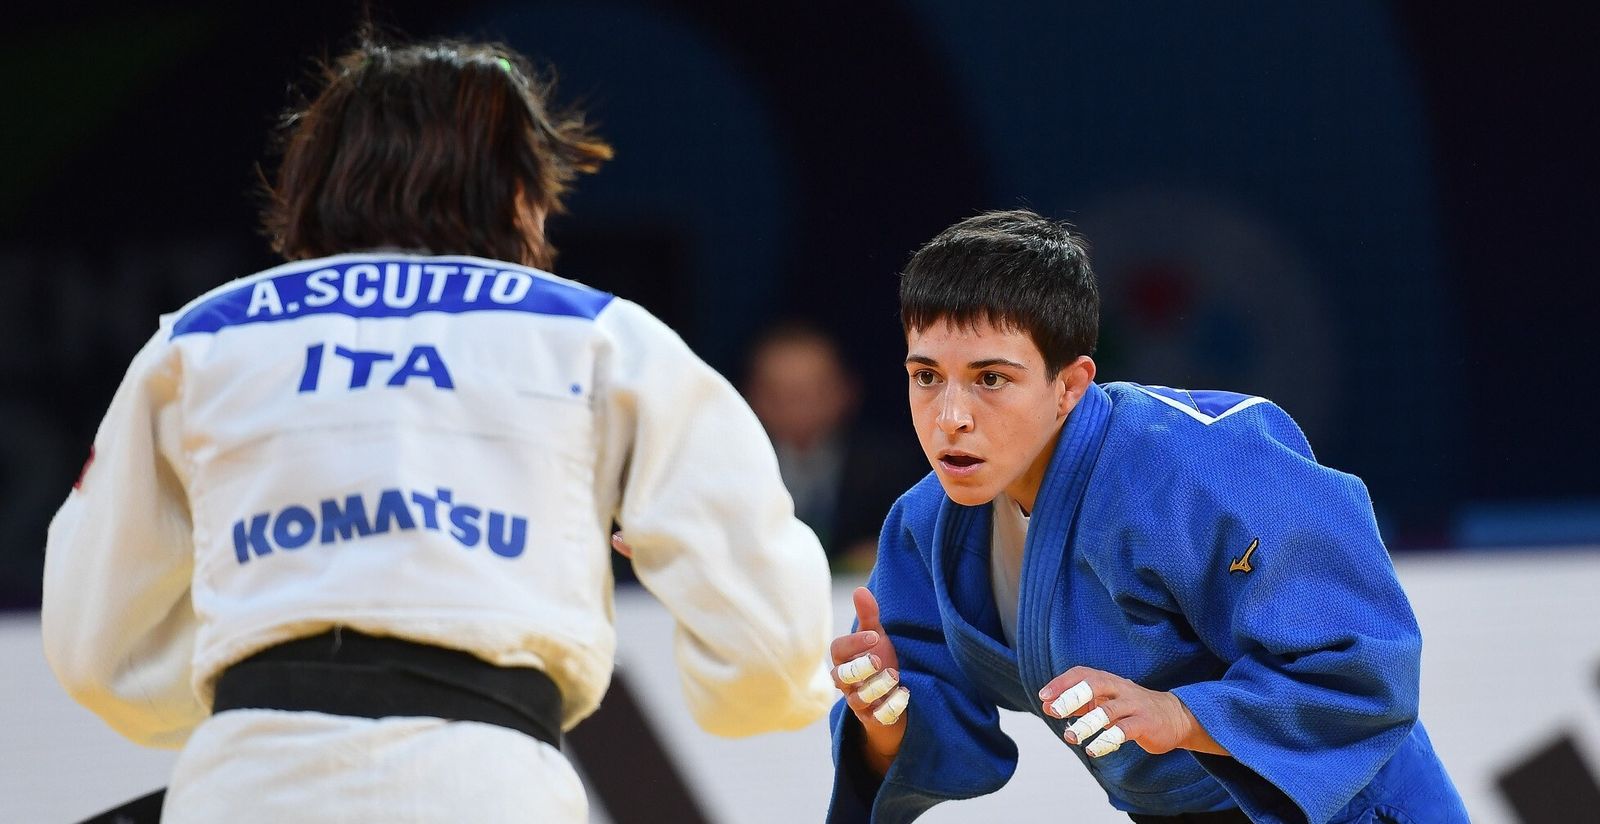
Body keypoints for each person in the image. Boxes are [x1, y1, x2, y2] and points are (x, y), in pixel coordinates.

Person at [41, 36, 835, 824]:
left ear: (311, 181)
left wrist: (261, 688)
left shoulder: (201, 340)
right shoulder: (600, 338)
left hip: (246, 784)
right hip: (486, 785)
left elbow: (94, 646)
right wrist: (756, 697)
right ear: (519, 190)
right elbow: (770, 640)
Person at [825, 210, 1468, 823]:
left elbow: (1364, 665)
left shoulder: (1197, 463)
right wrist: (885, 725)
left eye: (991, 379)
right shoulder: (927, 525)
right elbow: (930, 716)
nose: (950, 416)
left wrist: (1181, 716)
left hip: (1350, 809)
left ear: (1071, 385)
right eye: (927, 376)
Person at [743, 322, 926, 572]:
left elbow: (916, 543)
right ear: (751, 396)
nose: (796, 407)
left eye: (810, 392)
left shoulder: (891, 466)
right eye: (779, 394)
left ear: (846, 390)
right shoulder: (730, 468)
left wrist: (889, 552)